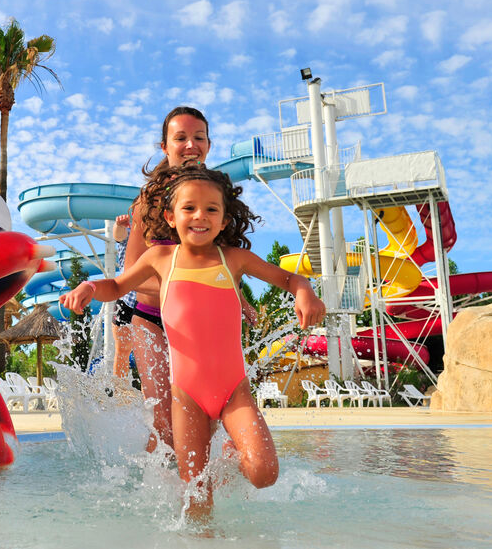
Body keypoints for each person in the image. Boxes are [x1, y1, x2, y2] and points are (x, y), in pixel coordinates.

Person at [60, 164, 325, 520]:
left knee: (264, 473)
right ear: (170, 216)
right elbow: (118, 286)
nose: (200, 216)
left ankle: (231, 456)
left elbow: (290, 279)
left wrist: (305, 292)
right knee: (197, 500)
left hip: (234, 392)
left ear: (224, 218)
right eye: (189, 208)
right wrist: (90, 287)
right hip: (187, 401)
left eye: (211, 209)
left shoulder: (233, 259)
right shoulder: (160, 259)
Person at [122, 106, 255, 453]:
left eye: (198, 137)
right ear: (165, 147)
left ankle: (198, 494)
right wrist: (177, 286)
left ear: (209, 145)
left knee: (203, 423)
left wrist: (239, 298)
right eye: (180, 138)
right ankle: (150, 490)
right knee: (165, 424)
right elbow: (131, 274)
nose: (190, 144)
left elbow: (222, 266)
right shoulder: (145, 204)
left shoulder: (215, 198)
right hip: (152, 321)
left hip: (205, 327)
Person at [110, 213, 134, 378]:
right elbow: (118, 236)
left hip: (152, 303)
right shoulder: (130, 232)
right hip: (127, 300)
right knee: (122, 350)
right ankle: (120, 396)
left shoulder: (163, 236)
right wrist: (119, 225)